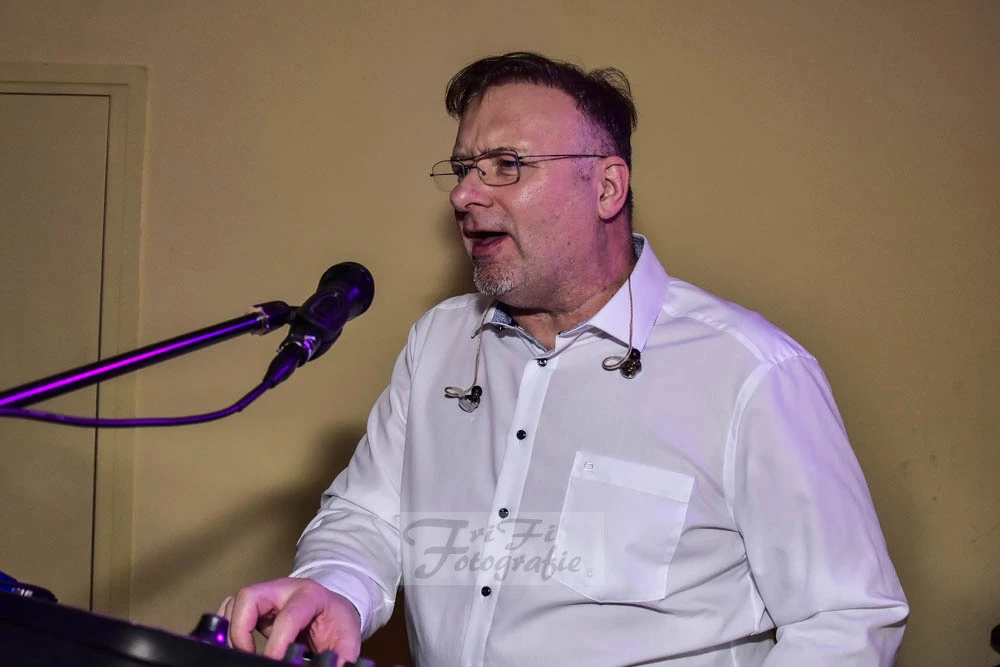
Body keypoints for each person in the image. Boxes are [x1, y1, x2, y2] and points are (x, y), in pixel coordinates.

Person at [219, 52, 908, 666]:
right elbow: (369, 516)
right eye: (463, 169)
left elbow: (848, 618)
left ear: (606, 188)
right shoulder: (439, 343)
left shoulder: (751, 373)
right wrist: (337, 587)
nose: (463, 195)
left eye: (506, 166)